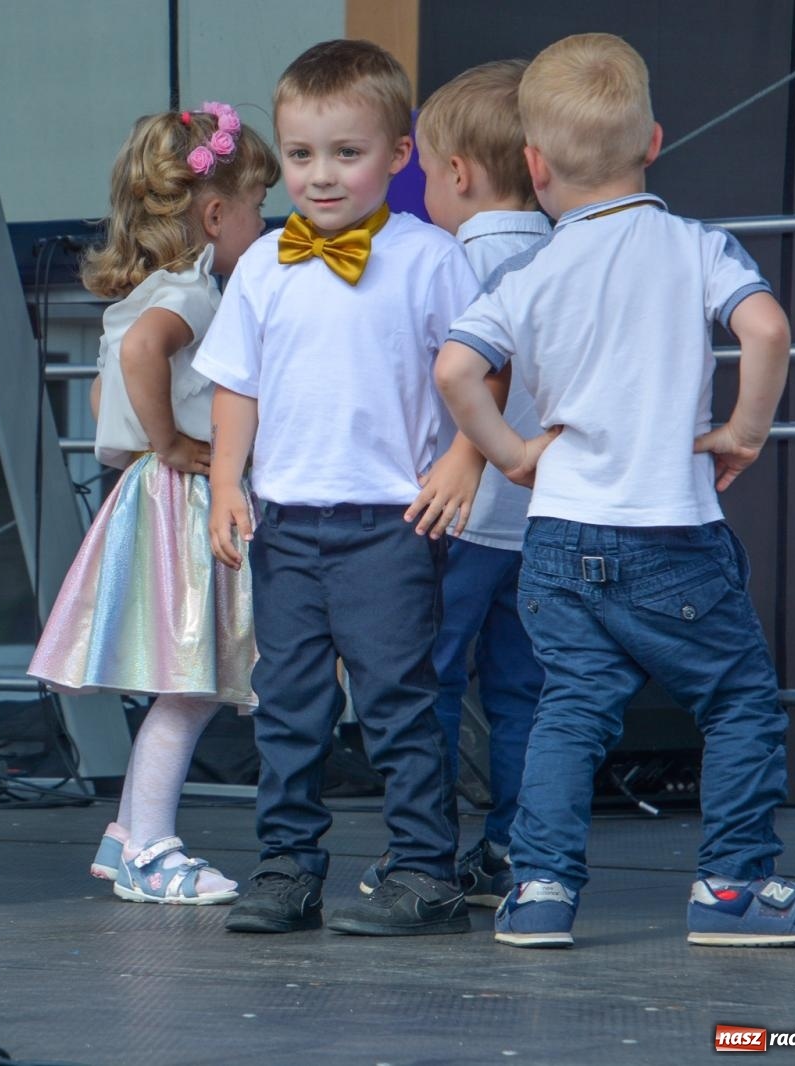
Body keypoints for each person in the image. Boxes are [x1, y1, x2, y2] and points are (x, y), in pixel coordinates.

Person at [435, 32, 795, 948]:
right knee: (741, 700)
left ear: (535, 165)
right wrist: (745, 431)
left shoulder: (532, 269)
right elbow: (770, 331)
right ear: (656, 142)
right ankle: (733, 890)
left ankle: (540, 893)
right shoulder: (695, 246)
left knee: (572, 705)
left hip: (555, 538)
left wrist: (511, 453)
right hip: (669, 537)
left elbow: (456, 371)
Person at [195, 39, 498, 935]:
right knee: (286, 707)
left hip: (389, 525)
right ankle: (288, 870)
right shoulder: (260, 265)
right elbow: (235, 386)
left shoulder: (431, 257)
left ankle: (423, 874)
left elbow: (488, 364)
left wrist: (466, 456)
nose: (320, 176)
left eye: (347, 153)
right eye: (299, 156)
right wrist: (223, 481)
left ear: (399, 155)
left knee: (399, 703)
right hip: (287, 524)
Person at [28, 103, 280, 904]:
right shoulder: (195, 297)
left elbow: (112, 384)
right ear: (215, 214)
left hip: (149, 489)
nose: (265, 224)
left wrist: (150, 432)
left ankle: (128, 830)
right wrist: (174, 442)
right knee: (192, 681)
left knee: (185, 677)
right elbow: (141, 358)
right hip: (180, 493)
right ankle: (151, 844)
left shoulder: (142, 293)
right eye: (258, 209)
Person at [394, 58, 553, 907]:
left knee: (430, 687)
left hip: (454, 516)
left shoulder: (445, 259)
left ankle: (426, 853)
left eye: (424, 170)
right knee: (526, 690)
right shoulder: (570, 253)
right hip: (541, 518)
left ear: (457, 173)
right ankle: (514, 853)